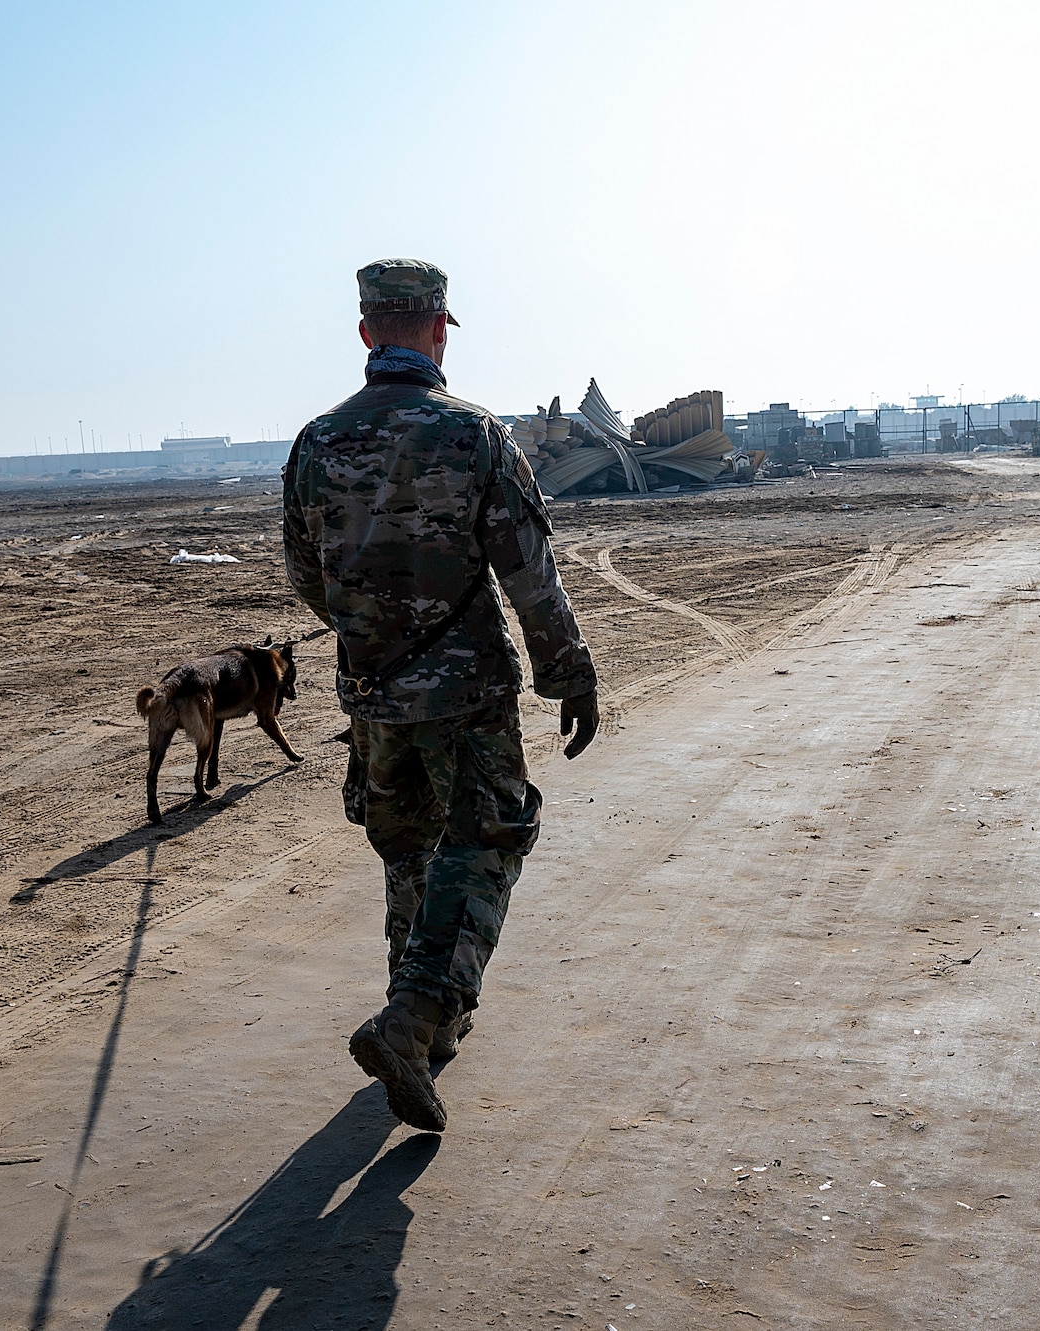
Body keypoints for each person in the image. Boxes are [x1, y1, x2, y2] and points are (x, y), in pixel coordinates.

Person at [282, 258, 599, 1132]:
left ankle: (422, 1030)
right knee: (491, 836)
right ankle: (416, 1017)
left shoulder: (317, 443)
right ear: (435, 331)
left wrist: (374, 630)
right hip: (464, 690)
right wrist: (567, 669)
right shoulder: (474, 435)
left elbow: (308, 577)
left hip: (373, 693)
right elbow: (528, 571)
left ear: (364, 333)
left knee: (410, 849)